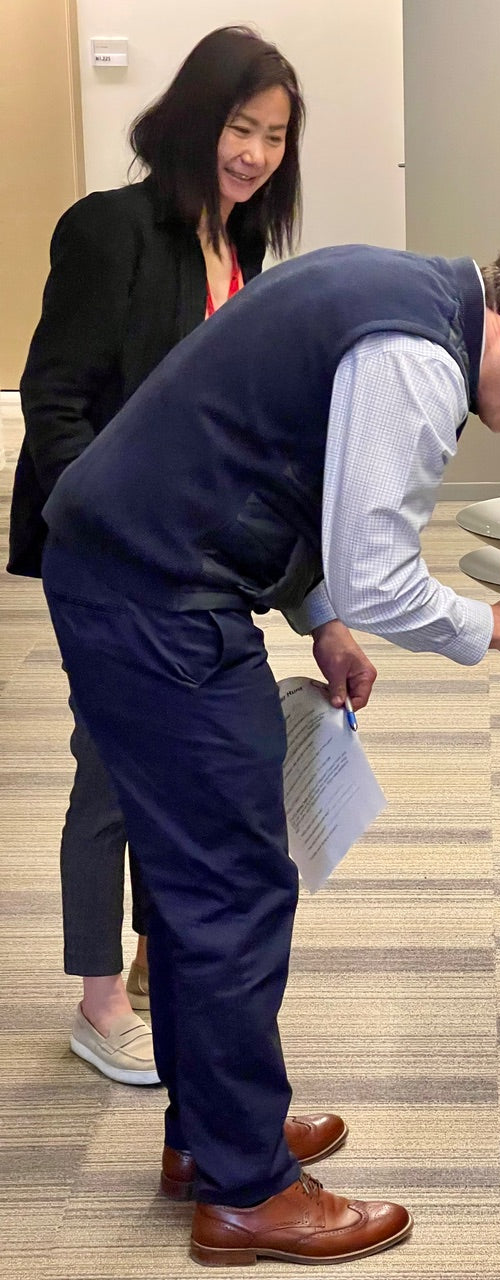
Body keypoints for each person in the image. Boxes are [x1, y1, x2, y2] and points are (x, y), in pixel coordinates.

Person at [39, 223, 500, 1266]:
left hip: (140, 572)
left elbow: (274, 463)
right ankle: (246, 1194)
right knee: (235, 882)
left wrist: (319, 617)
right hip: (157, 595)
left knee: (202, 878)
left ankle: (211, 1138)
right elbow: (382, 574)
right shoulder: (415, 356)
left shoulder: (398, 296)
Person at [7, 26, 310, 1089]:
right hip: (108, 557)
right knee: (110, 767)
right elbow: (53, 399)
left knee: (170, 768)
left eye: (275, 135)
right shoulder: (112, 230)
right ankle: (98, 998)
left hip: (190, 562)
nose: (257, 152)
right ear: (194, 117)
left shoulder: (241, 249)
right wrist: (105, 530)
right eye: (240, 126)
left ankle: (148, 960)